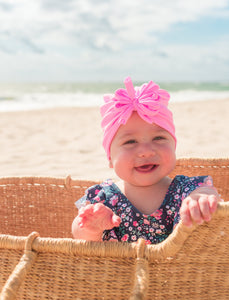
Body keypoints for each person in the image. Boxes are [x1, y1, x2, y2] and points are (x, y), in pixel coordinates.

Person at [72, 77, 221, 244]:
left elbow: (208, 193)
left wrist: (201, 198)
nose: (146, 151)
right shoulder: (103, 198)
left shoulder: (184, 190)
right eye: (130, 142)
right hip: (118, 271)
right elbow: (78, 233)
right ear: (110, 159)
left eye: (158, 138)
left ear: (174, 146)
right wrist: (92, 228)